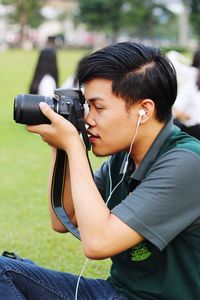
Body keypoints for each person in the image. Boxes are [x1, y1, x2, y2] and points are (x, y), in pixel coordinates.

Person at [1, 42, 200, 300]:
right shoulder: (124, 156)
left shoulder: (187, 163)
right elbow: (64, 218)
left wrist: (73, 145)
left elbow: (97, 243)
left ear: (145, 109)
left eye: (99, 108)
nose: (88, 119)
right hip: (115, 293)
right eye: (87, 107)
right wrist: (60, 145)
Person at [168, 49, 200, 140]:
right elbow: (177, 111)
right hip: (193, 129)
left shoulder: (191, 77)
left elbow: (172, 55)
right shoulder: (192, 83)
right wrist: (190, 117)